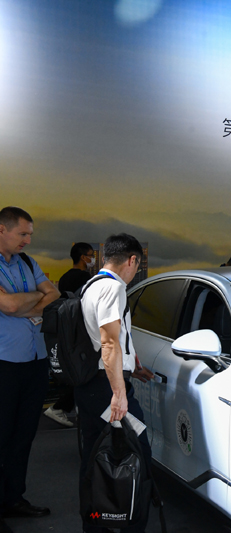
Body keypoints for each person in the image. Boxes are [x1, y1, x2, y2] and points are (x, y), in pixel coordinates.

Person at [74, 233, 154, 533]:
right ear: (132, 260)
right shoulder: (113, 288)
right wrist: (119, 393)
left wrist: (133, 366)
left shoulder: (92, 285)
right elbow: (108, 343)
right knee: (138, 453)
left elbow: (109, 340)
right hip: (108, 389)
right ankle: (130, 525)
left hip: (93, 385)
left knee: (95, 455)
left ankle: (95, 524)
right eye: (137, 265)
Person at [0, 206, 60, 533]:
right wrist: (33, 299)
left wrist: (22, 305)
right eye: (23, 233)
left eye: (30, 234)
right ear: (2, 229)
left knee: (23, 436)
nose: (28, 240)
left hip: (35, 363)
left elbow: (54, 293)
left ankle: (13, 499)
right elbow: (8, 305)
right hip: (4, 365)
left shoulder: (27, 262)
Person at [44, 243, 96, 428]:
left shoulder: (65, 277)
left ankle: (66, 407)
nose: (92, 259)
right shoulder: (85, 278)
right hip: (81, 329)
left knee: (74, 369)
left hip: (66, 329)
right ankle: (61, 407)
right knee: (85, 372)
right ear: (83, 257)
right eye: (90, 255)